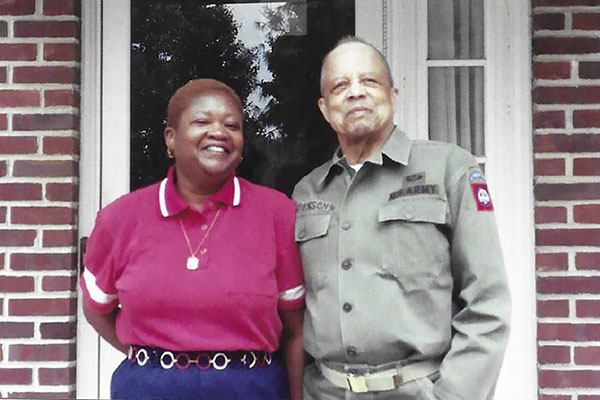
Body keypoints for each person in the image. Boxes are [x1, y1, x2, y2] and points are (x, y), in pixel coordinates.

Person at [293, 36, 511, 400]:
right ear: (324, 107)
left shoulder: (448, 169)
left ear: (393, 93)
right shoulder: (307, 192)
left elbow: (487, 303)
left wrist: (454, 395)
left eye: (370, 81)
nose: (355, 92)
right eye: (340, 85)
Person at [80, 78, 305, 400]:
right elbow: (96, 308)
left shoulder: (277, 215)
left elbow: (297, 328)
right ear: (170, 139)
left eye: (232, 125)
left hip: (252, 389)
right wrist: (157, 360)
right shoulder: (120, 219)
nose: (219, 132)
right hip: (148, 389)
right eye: (202, 121)